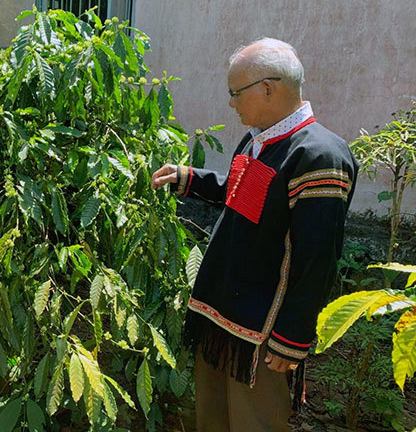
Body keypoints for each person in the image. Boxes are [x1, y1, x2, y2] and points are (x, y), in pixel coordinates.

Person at [151, 38, 358, 432]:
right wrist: (189, 178)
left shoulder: (320, 156)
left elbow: (318, 258)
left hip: (262, 330)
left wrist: (291, 338)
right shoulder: (258, 139)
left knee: (254, 421)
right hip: (223, 311)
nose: (231, 104)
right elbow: (244, 196)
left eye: (235, 93)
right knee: (213, 417)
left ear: (267, 87)